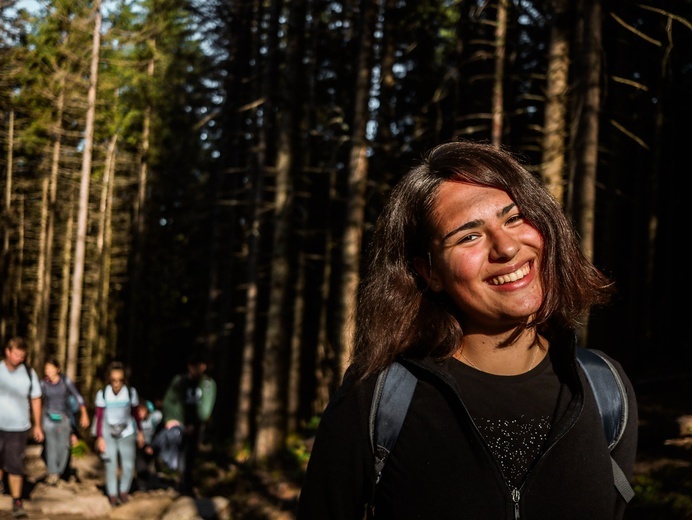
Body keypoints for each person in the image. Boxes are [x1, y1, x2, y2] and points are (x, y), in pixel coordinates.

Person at [296, 140, 638, 519]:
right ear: (430, 273)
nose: (506, 248)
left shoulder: (607, 391)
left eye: (514, 217)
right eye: (469, 236)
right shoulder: (377, 398)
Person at [160, 351, 216, 496]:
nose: (197, 369)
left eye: (200, 365)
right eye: (194, 366)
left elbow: (205, 409)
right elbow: (169, 401)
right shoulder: (180, 381)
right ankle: (178, 481)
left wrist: (195, 423)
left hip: (195, 427)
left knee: (190, 455)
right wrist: (171, 419)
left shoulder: (208, 384)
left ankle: (186, 485)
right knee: (174, 452)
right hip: (177, 425)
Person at [0, 337, 44, 519]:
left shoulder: (28, 373)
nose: (19, 358)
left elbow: (35, 399)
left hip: (19, 427)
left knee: (15, 464)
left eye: (23, 355)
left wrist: (37, 425)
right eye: (17, 354)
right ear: (8, 352)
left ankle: (17, 501)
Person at [93, 361, 145, 506]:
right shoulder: (103, 393)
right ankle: (112, 494)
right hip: (108, 432)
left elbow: (135, 414)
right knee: (111, 464)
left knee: (128, 465)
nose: (116, 384)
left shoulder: (130, 392)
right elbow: (99, 417)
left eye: (120, 380)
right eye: (113, 380)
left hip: (127, 432)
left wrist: (140, 432)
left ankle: (123, 491)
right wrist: (100, 437)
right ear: (109, 379)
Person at [40, 357, 90, 485]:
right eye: (47, 369)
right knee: (51, 446)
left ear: (58, 369)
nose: (49, 372)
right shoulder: (43, 384)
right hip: (48, 419)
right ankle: (53, 473)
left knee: (64, 447)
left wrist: (84, 414)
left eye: (51, 369)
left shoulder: (65, 382)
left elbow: (78, 397)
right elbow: (37, 400)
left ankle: (60, 471)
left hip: (64, 418)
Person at [134, 400, 162, 491]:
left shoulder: (154, 418)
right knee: (140, 465)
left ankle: (154, 482)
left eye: (142, 410)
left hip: (152, 444)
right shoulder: (133, 420)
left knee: (153, 464)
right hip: (138, 445)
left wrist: (153, 446)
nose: (140, 413)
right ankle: (142, 486)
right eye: (138, 411)